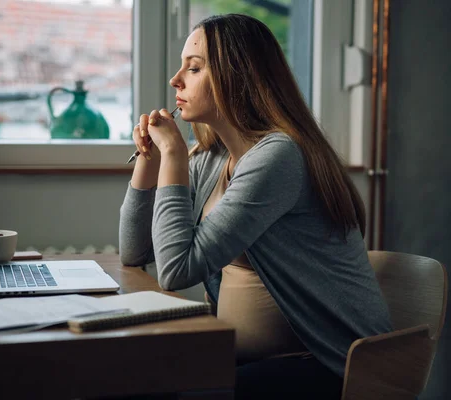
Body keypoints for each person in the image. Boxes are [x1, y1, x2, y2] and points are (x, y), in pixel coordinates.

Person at [119, 13, 392, 399]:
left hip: (322, 364)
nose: (175, 80)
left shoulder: (278, 157)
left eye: (193, 68)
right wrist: (149, 161)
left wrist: (174, 156)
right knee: (119, 377)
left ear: (237, 77)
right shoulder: (213, 158)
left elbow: (175, 270)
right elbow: (136, 252)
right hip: (242, 358)